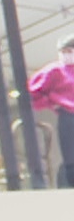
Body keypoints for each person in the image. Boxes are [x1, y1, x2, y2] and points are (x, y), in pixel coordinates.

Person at [27, 33, 74, 187]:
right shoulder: (54, 70)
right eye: (64, 51)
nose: (67, 55)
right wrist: (50, 103)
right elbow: (32, 92)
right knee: (71, 156)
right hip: (68, 116)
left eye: (70, 51)